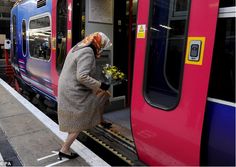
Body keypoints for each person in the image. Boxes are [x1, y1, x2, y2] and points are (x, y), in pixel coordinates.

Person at [57, 32, 112, 159]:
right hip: (75, 90)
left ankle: (100, 120)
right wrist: (101, 85)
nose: (103, 48)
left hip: (69, 87)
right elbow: (82, 76)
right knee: (80, 120)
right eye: (103, 45)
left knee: (104, 96)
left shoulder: (78, 47)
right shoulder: (88, 52)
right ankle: (64, 149)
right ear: (98, 42)